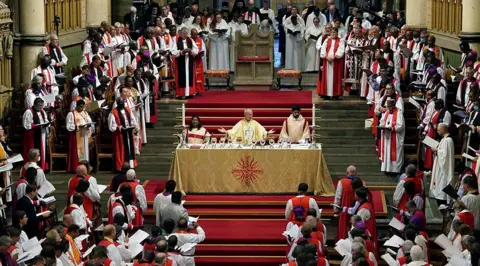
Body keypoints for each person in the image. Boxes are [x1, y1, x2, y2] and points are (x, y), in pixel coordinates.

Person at [109, 97, 138, 170]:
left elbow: (132, 119)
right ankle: (121, 166)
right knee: (121, 150)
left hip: (129, 132)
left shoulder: (128, 109)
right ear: (117, 103)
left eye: (123, 103)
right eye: (121, 103)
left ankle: (130, 165)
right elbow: (111, 125)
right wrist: (120, 128)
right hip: (120, 135)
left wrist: (134, 126)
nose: (122, 104)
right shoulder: (113, 112)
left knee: (129, 148)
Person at [22, 98, 51, 170]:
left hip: (42, 134)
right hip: (32, 135)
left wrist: (47, 124)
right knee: (33, 150)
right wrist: (35, 126)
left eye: (42, 105)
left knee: (42, 149)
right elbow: (26, 125)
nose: (41, 107)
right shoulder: (29, 112)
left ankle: (42, 166)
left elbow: (46, 120)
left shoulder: (42, 111)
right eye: (39, 105)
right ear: (35, 105)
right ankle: (32, 168)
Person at [430, 123, 454, 206]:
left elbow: (445, 156)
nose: (437, 131)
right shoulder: (444, 139)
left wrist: (436, 150)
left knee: (442, 188)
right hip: (440, 167)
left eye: (439, 129)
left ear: (444, 129)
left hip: (444, 169)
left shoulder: (448, 140)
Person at [379, 97, 405, 175]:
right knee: (387, 152)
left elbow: (401, 125)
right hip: (387, 137)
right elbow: (382, 121)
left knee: (395, 153)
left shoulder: (399, 113)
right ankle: (387, 169)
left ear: (394, 105)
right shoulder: (387, 112)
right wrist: (382, 125)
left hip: (395, 136)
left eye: (390, 106)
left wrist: (392, 128)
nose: (389, 108)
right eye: (388, 106)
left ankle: (395, 170)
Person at [66, 100, 94, 172]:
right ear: (77, 106)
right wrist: (77, 126)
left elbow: (89, 120)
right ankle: (76, 167)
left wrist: (89, 124)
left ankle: (84, 167)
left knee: (84, 151)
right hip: (76, 135)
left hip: (84, 135)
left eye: (83, 107)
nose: (82, 108)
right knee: (77, 152)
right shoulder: (71, 114)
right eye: (80, 107)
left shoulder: (85, 113)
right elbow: (68, 126)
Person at [317, 28, 345, 98]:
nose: (332, 34)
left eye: (334, 32)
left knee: (335, 78)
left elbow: (341, 50)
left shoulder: (340, 40)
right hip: (327, 62)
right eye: (331, 32)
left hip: (336, 62)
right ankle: (327, 94)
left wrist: (334, 57)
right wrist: (326, 57)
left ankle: (335, 94)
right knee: (327, 78)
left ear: (337, 33)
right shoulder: (327, 40)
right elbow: (323, 50)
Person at [173, 27, 199, 98]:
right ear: (180, 33)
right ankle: (181, 94)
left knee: (189, 77)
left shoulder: (190, 40)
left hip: (189, 61)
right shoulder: (176, 40)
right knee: (182, 77)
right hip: (181, 61)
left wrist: (191, 51)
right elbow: (173, 51)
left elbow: (196, 49)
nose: (185, 35)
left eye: (186, 33)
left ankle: (190, 93)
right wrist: (181, 52)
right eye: (183, 33)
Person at [190, 29, 206, 94]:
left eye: (196, 35)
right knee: (192, 75)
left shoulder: (200, 40)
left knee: (199, 76)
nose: (195, 36)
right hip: (191, 60)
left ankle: (199, 90)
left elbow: (203, 49)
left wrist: (201, 54)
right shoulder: (189, 40)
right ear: (191, 34)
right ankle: (192, 90)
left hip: (198, 60)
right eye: (194, 35)